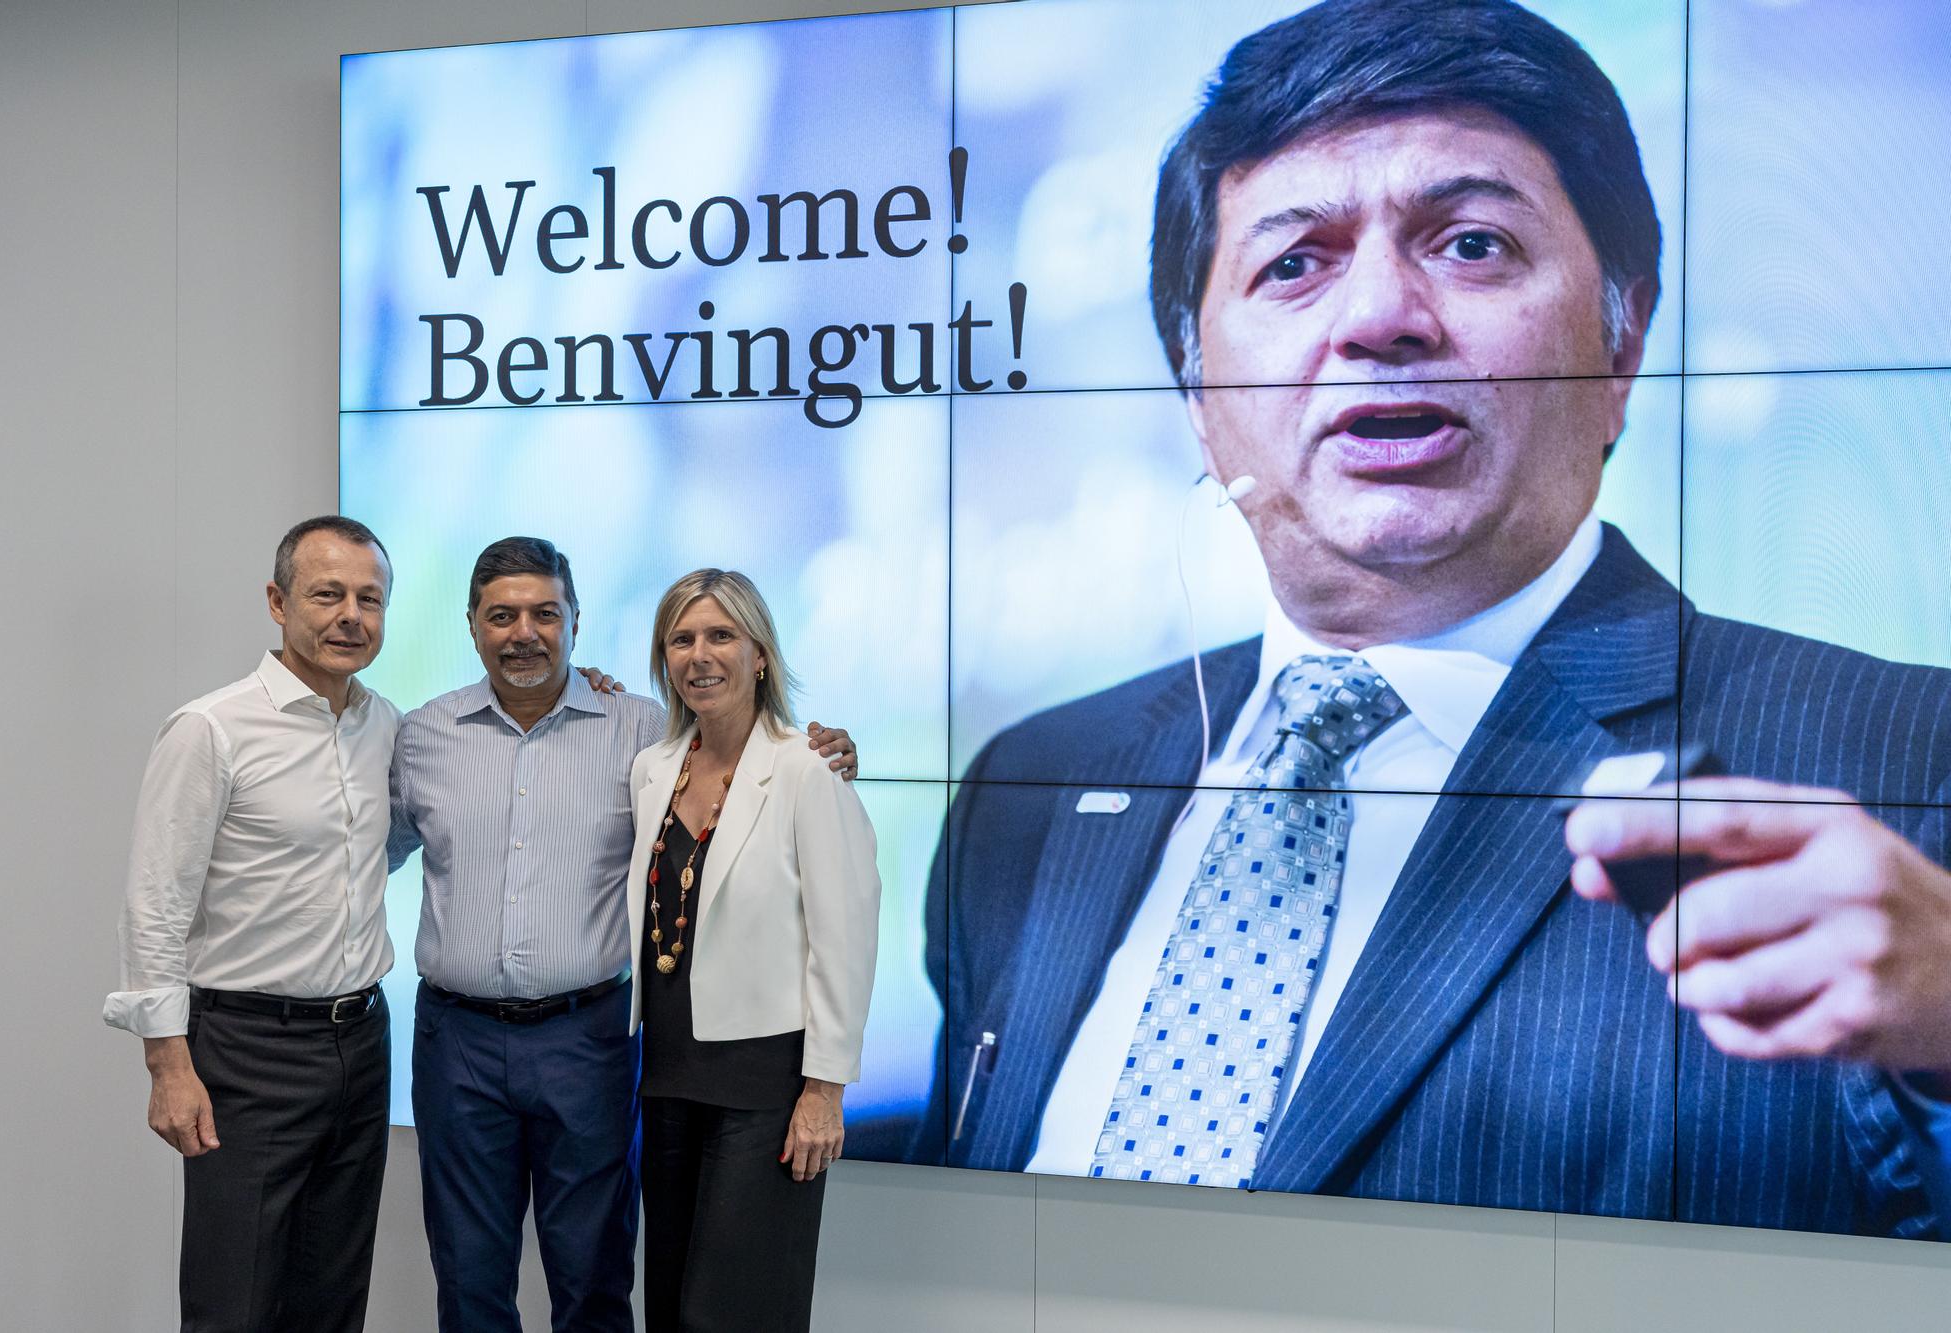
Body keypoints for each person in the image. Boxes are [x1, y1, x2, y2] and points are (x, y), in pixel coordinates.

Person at [910, 0, 1951, 1238]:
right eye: (1292, 262)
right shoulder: (1033, 788)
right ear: (1195, 387)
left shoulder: (1903, 764)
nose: (1377, 317)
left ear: (1622, 339)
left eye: (1467, 244)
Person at [387, 540, 858, 1332]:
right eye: (502, 615)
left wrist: (831, 751)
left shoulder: (640, 734)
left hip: (589, 1041)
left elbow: (750, 767)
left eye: (545, 612)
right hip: (456, 1042)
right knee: (468, 1280)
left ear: (577, 621)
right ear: (472, 627)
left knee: (595, 1276)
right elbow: (367, 850)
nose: (524, 632)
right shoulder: (422, 736)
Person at [105, 515, 400, 1332]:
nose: (351, 615)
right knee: (234, 1302)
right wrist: (168, 1063)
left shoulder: (384, 725)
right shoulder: (211, 728)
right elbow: (153, 902)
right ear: (278, 601)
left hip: (362, 1042)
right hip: (247, 1050)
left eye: (369, 598)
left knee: (332, 1298)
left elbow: (384, 846)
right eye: (327, 594)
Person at [626, 569, 880, 1331]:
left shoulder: (806, 768)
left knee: (733, 1313)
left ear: (761, 653)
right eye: (682, 638)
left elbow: (846, 936)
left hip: (766, 1093)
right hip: (667, 1083)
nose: (700, 654)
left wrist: (824, 1091)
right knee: (669, 1309)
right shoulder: (652, 768)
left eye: (720, 635)